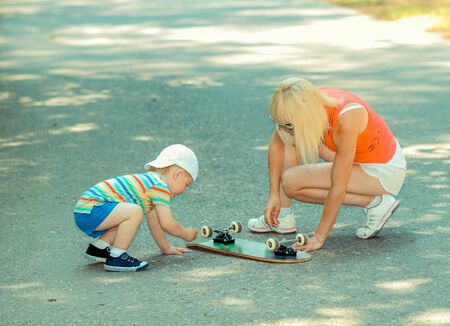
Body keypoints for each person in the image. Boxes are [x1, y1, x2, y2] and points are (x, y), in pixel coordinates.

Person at [248, 78, 406, 252]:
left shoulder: (346, 120)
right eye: (277, 123)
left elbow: (338, 186)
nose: (282, 128)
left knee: (291, 182)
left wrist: (319, 237)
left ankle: (375, 202)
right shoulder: (303, 101)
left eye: (287, 124)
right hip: (358, 156)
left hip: (382, 170)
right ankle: (282, 217)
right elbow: (277, 144)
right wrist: (273, 195)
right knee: (289, 138)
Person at [73, 144, 199, 272]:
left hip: (86, 210)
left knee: (126, 218)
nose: (184, 190)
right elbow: (167, 223)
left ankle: (98, 249)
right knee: (134, 212)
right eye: (186, 184)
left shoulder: (150, 183)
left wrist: (166, 248)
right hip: (92, 208)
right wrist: (186, 234)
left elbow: (155, 223)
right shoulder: (159, 186)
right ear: (178, 174)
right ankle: (117, 257)